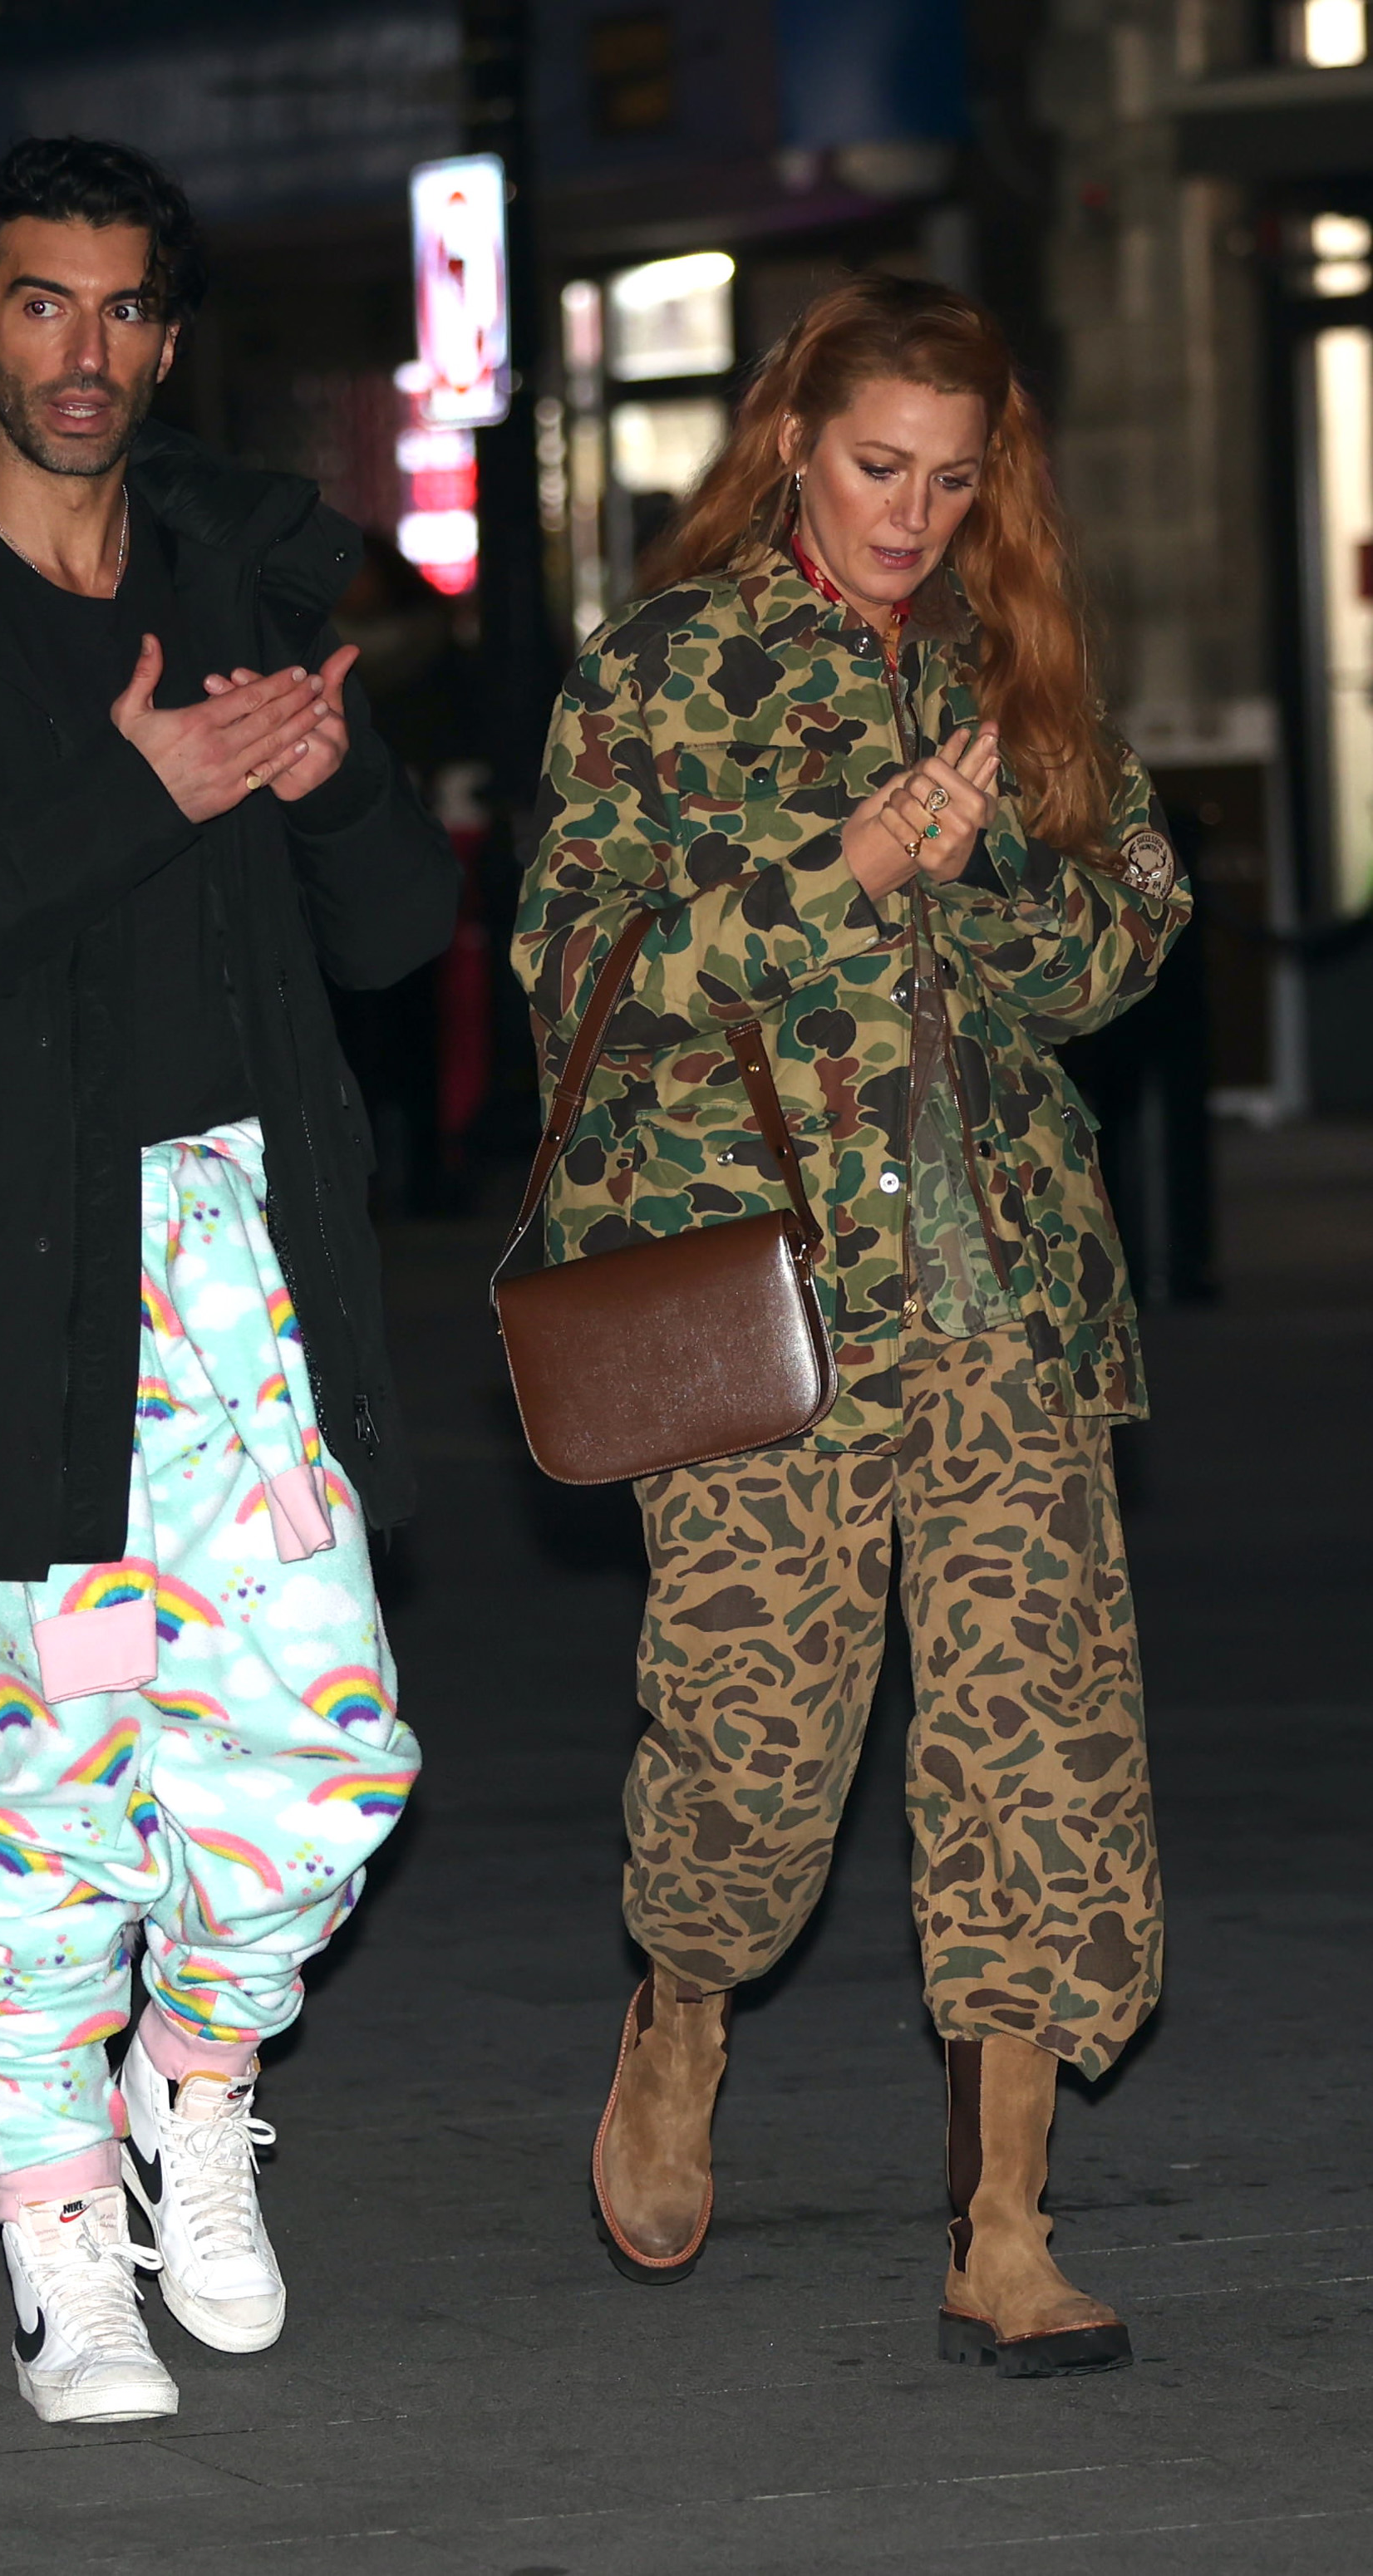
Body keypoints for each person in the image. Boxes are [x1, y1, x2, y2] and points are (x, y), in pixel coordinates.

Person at [0, 136, 455, 2427]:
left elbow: (399, 948)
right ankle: (59, 2228)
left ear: (165, 333)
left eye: (124, 307)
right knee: (33, 1787)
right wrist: (130, 798)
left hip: (233, 1258)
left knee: (329, 1756)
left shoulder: (248, 571)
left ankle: (191, 2078)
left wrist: (332, 789)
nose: (84, 350)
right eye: (37, 305)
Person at [514, 274, 1187, 2377]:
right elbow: (576, 973)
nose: (911, 515)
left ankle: (1003, 2218)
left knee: (1036, 1759)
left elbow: (1130, 928)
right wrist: (845, 867)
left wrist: (978, 888)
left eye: (952, 477)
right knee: (750, 1762)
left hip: (1002, 1307)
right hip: (769, 1315)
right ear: (792, 440)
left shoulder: (1016, 665)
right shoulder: (665, 668)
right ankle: (684, 2001)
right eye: (876, 468)